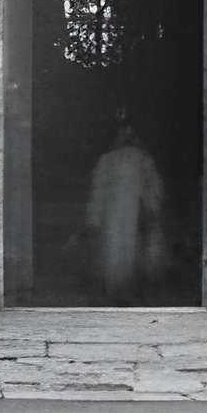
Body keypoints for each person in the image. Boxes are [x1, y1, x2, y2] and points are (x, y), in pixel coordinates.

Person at [85, 121, 165, 303]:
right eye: (123, 133)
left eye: (130, 133)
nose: (127, 137)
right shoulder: (107, 160)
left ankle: (131, 293)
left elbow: (152, 186)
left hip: (135, 215)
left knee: (135, 253)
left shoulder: (144, 160)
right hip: (112, 216)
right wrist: (94, 218)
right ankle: (113, 293)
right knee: (113, 251)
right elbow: (99, 190)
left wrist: (151, 209)